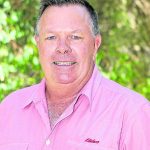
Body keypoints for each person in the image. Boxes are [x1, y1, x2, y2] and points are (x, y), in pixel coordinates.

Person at [0, 0, 150, 149]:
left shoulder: (132, 113)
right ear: (38, 44)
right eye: (51, 37)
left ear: (95, 44)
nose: (62, 48)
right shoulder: (9, 109)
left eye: (75, 37)